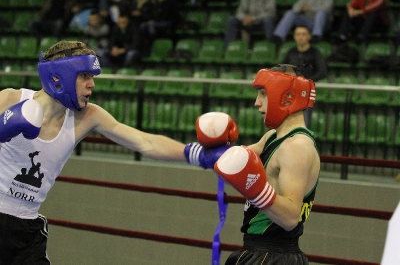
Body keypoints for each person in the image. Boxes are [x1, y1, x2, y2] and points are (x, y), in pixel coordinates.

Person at [0, 40, 188, 264]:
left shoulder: (88, 116)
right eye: (84, 76)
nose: (92, 85)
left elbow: (146, 142)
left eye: (92, 77)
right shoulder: (10, 99)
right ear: (59, 76)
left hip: (27, 233)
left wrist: (193, 153)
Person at [185, 64, 320, 264]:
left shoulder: (296, 148)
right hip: (258, 252)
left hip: (275, 257)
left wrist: (256, 190)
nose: (257, 103)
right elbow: (235, 159)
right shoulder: (273, 137)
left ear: (286, 97)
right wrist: (204, 150)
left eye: (263, 94)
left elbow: (291, 218)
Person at [281, 26, 327, 128]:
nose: (301, 37)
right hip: (291, 91)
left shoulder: (315, 53)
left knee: (304, 122)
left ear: (309, 36)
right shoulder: (291, 52)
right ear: (294, 37)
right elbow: (282, 68)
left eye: (303, 34)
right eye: (298, 34)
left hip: (306, 92)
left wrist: (306, 81)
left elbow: (322, 71)